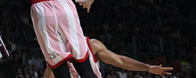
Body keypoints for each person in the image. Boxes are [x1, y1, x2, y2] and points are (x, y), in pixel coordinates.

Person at [44, 37, 174, 78]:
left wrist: (148, 68)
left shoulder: (91, 44)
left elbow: (120, 60)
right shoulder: (54, 52)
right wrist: (52, 62)